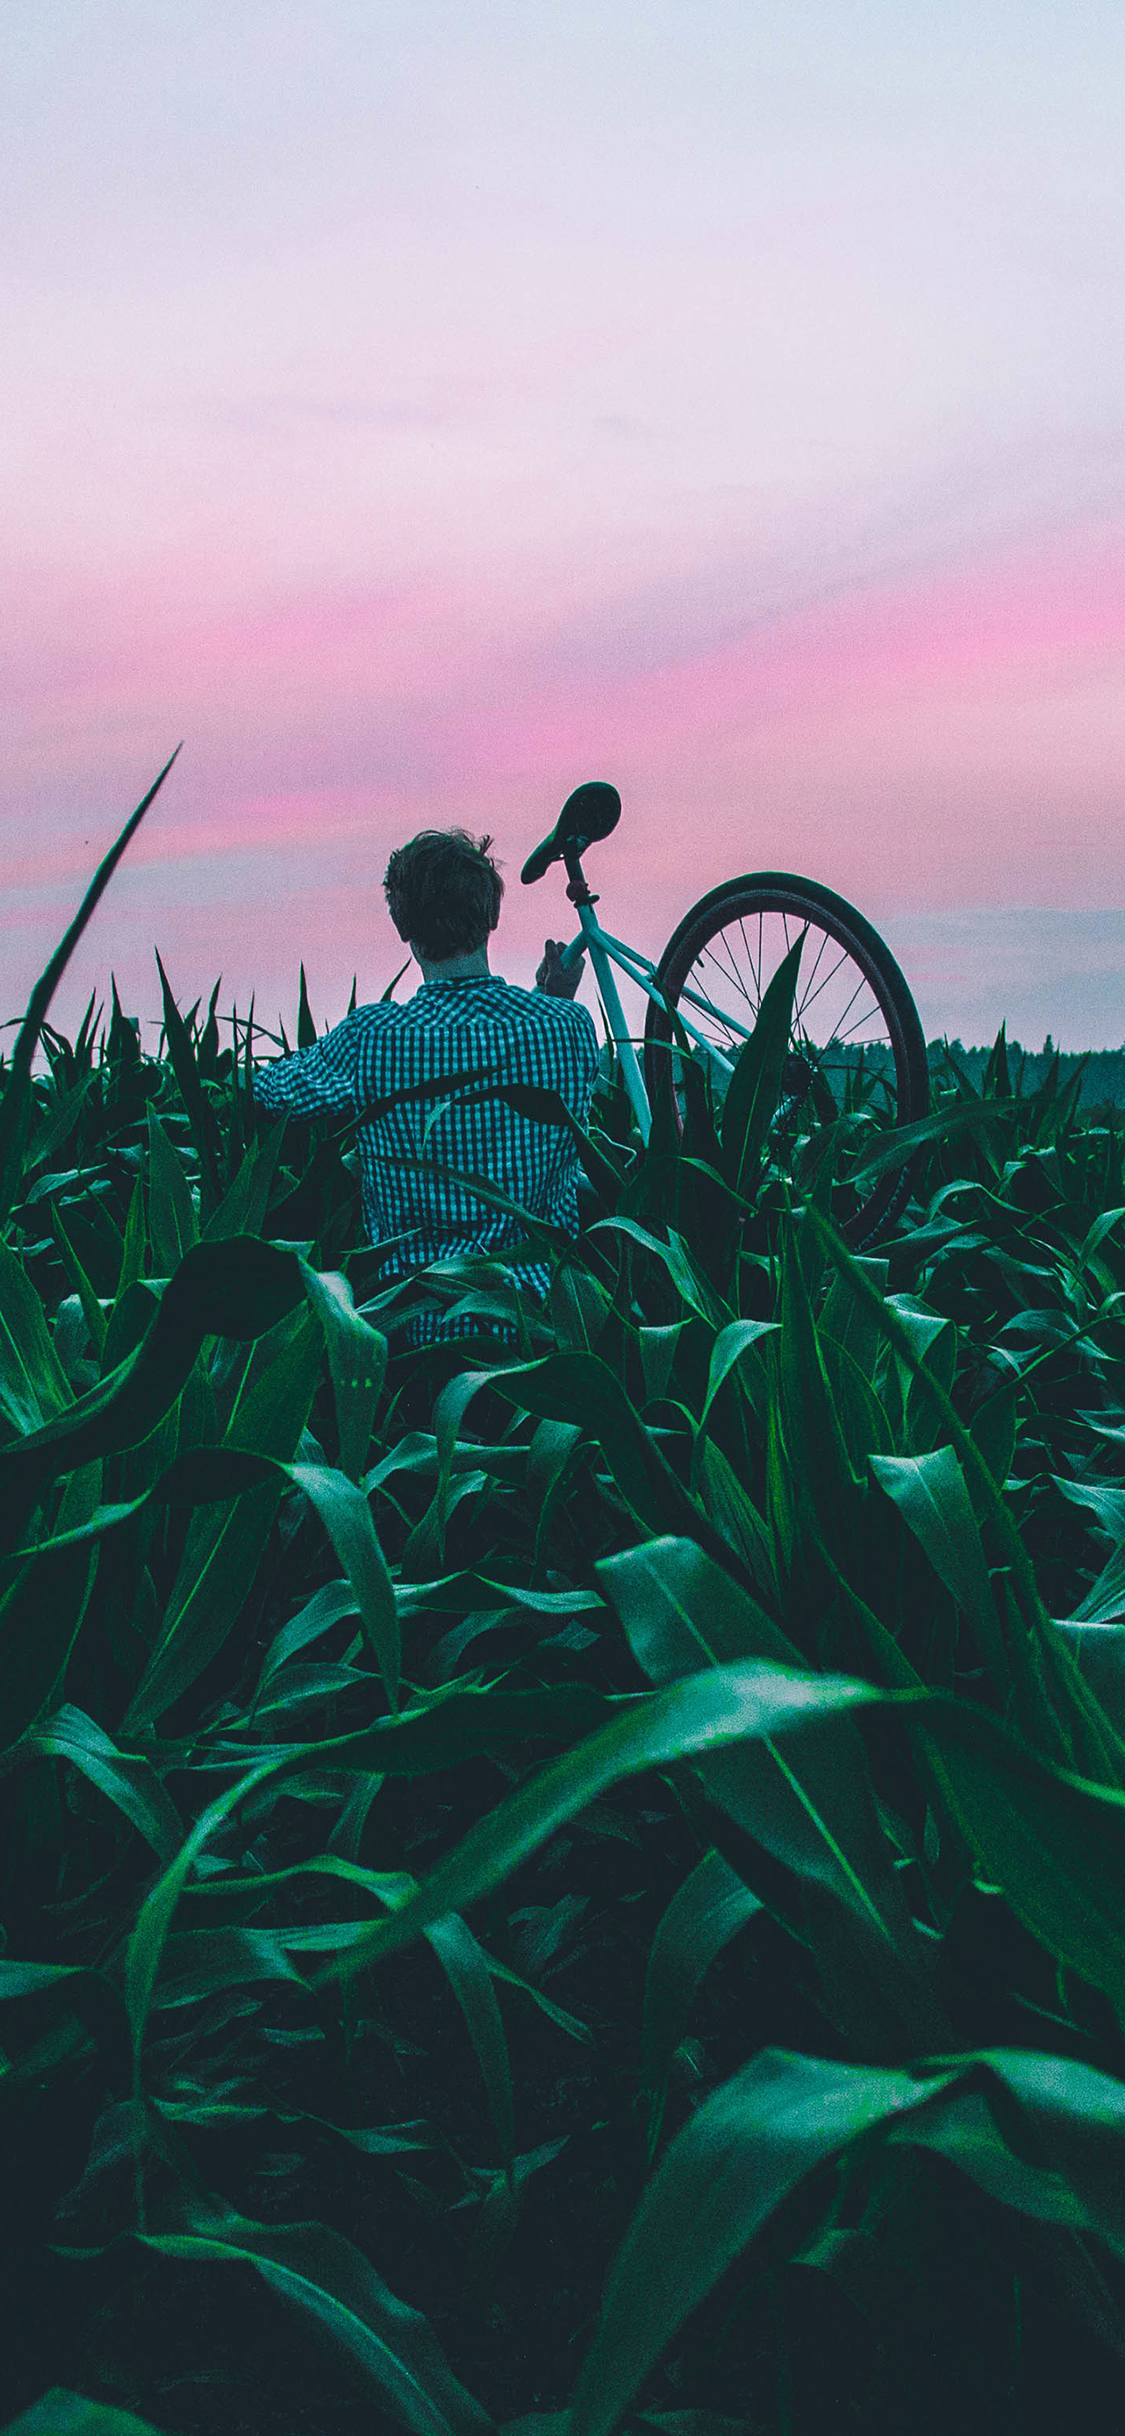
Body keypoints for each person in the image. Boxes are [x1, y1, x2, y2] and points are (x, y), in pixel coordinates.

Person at [253, 828, 599, 1338]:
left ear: (402, 925)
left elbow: (267, 1092)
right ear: (493, 916)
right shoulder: (566, 1028)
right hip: (540, 1330)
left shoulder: (370, 1040)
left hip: (413, 1332)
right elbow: (540, 1103)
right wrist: (554, 999)